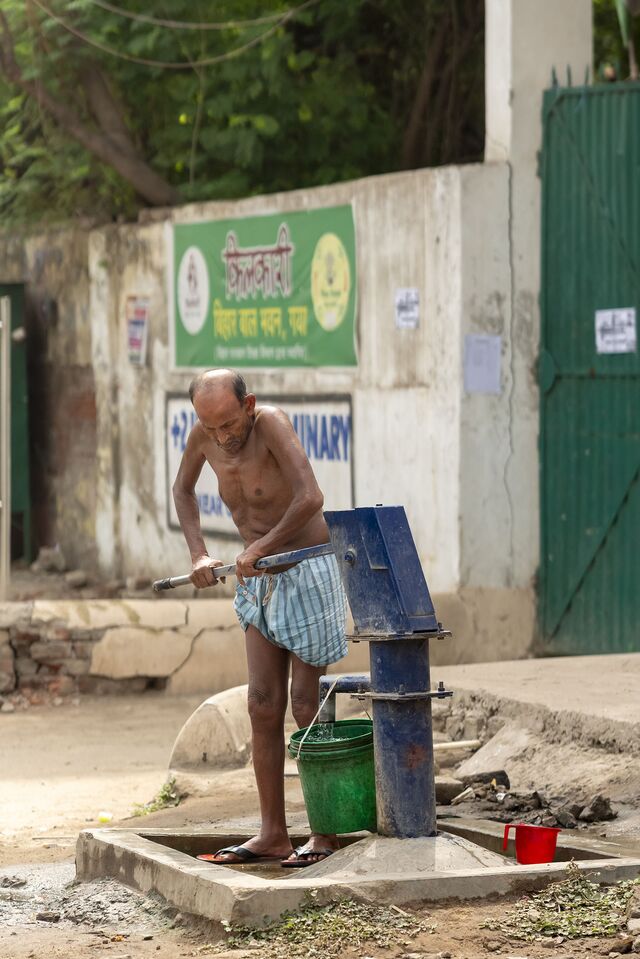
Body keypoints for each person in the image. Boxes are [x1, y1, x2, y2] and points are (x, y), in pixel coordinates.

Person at [172, 368, 347, 867]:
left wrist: (262, 547)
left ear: (248, 405)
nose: (223, 438)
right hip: (259, 581)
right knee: (261, 704)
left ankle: (325, 834)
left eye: (229, 424)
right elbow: (183, 492)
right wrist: (200, 555)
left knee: (305, 706)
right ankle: (273, 835)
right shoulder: (204, 437)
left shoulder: (270, 423)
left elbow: (311, 497)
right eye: (212, 428)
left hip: (307, 570)